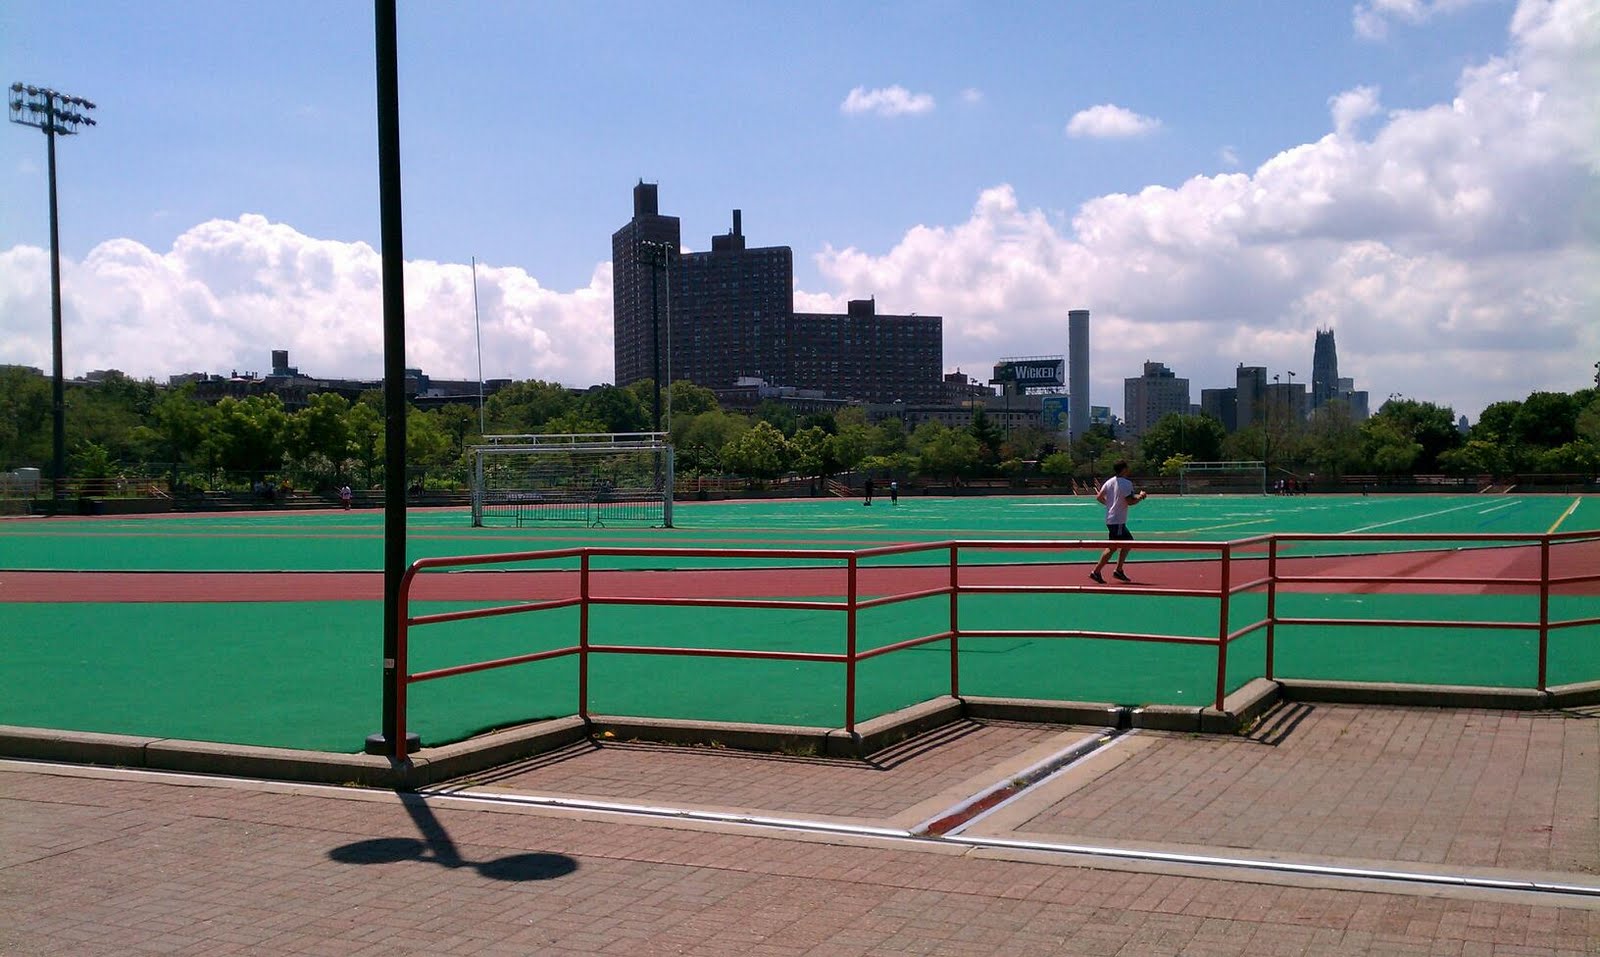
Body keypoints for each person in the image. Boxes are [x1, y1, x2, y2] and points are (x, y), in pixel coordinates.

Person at [1089, 461, 1146, 584]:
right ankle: (1098, 571)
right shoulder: (1126, 483)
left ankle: (1116, 570)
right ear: (1124, 469)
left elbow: (1099, 497)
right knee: (1114, 546)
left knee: (1123, 543)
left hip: (1112, 518)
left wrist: (1110, 506)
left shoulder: (1110, 481)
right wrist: (1141, 497)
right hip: (1118, 520)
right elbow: (1130, 501)